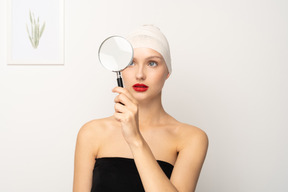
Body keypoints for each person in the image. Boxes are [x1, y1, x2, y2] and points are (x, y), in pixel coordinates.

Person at [73, 25, 208, 192]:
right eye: (131, 63)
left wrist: (135, 139)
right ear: (120, 69)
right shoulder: (91, 133)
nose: (140, 75)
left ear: (167, 71)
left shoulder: (191, 138)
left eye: (152, 63)